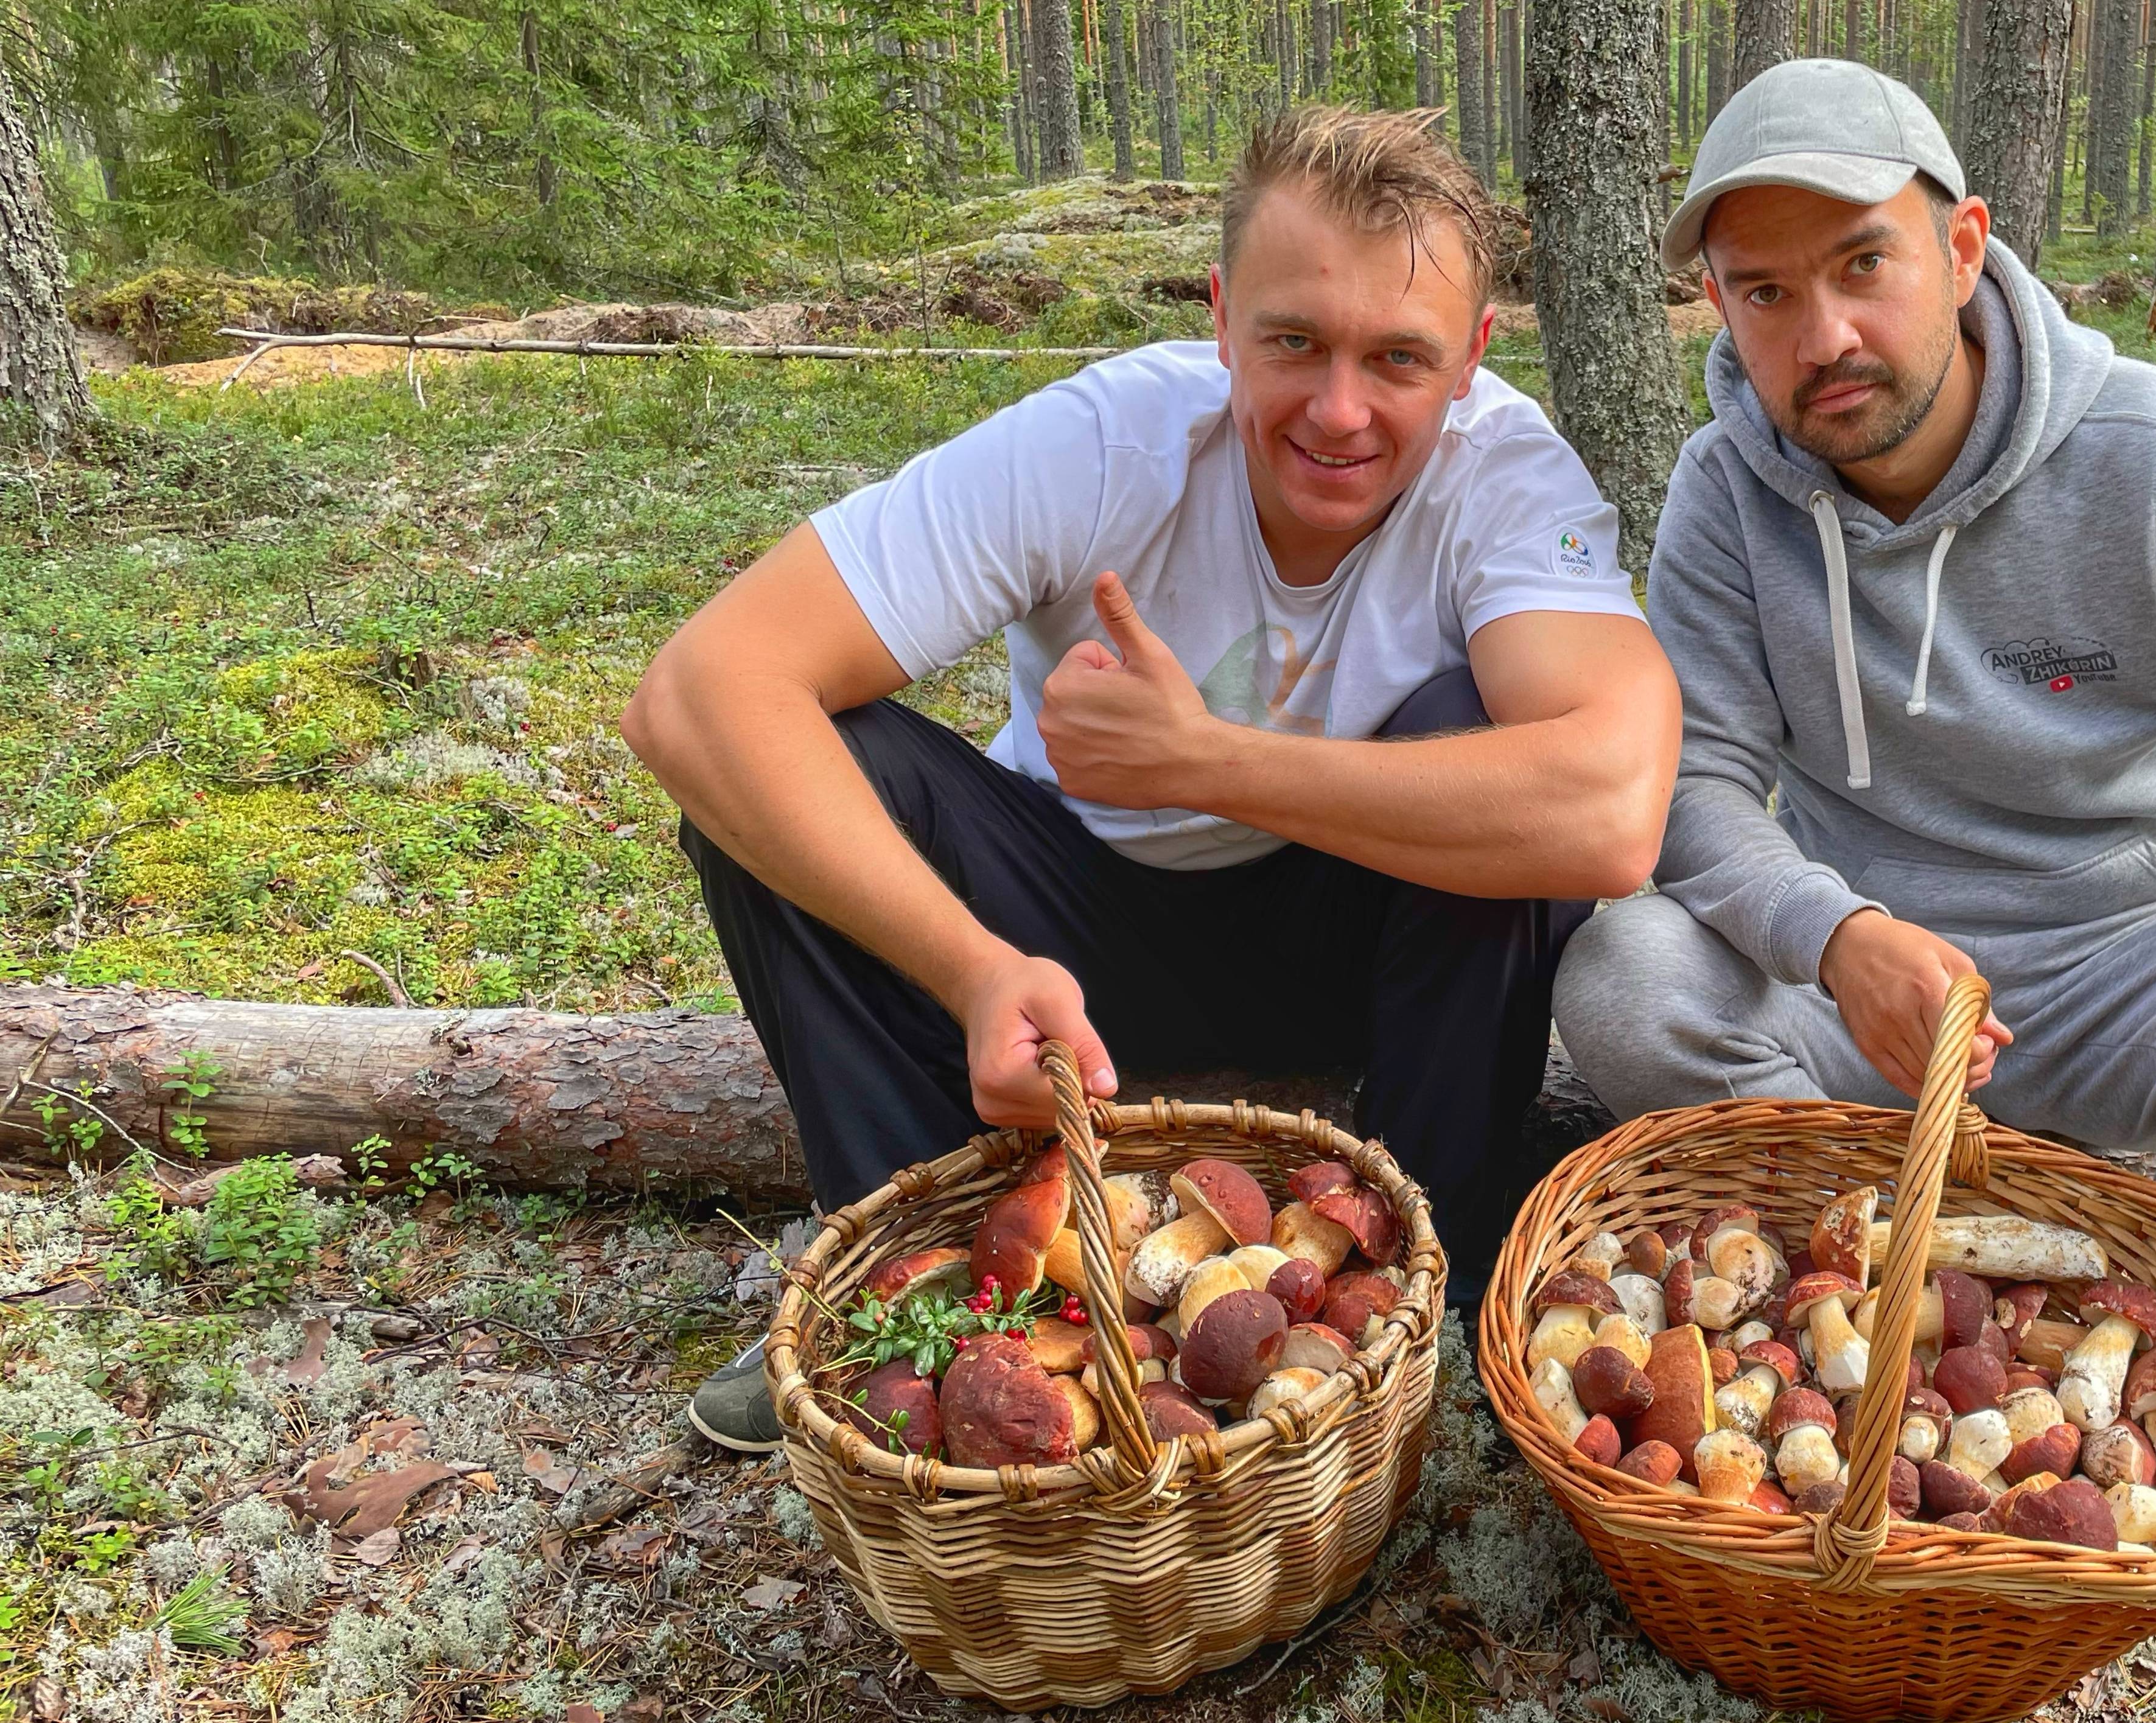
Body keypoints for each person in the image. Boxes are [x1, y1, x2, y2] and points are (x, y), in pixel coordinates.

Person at [625, 106, 1680, 1450]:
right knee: (808, 768)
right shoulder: (1107, 440)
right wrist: (972, 970)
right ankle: (930, 1302)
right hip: (1067, 933)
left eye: (1399, 358)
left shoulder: (1507, 474)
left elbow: (1611, 809)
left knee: (1482, 730)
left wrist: (1208, 762)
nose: (1340, 410)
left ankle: (1425, 1286)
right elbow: (700, 692)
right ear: (1223, 316)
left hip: (1352, 939)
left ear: (1472, 357)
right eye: (1293, 342)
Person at [1553, 61, 2156, 1294]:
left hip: (2132, 965)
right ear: (1718, 302)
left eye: (1866, 265)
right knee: (1627, 975)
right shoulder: (1725, 493)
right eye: (1766, 293)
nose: (1825, 338)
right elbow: (1696, 783)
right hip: (1872, 992)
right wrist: (1835, 935)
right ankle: (1857, 1295)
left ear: (1963, 249)